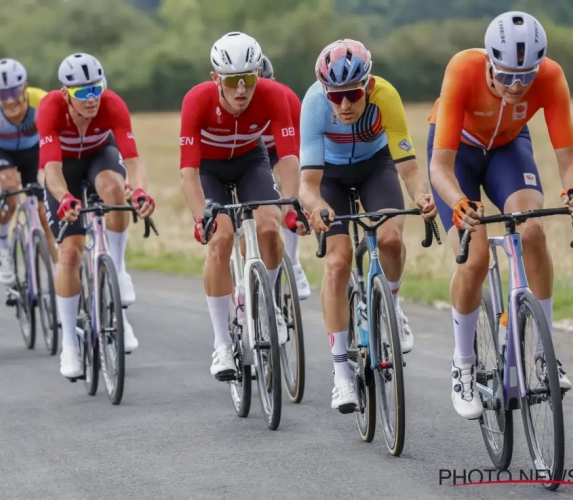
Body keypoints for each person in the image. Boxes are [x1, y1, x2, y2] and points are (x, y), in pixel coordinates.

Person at [428, 11, 572, 420]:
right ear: (490, 62)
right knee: (474, 259)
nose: (515, 85)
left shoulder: (551, 77)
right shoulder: (464, 68)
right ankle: (463, 364)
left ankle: (544, 355)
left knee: (533, 231)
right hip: (457, 153)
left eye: (525, 76)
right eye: (506, 75)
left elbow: (567, 159)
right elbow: (439, 166)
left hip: (509, 148)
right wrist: (459, 202)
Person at [300, 39, 436, 412]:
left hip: (376, 167)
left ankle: (391, 305)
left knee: (391, 239)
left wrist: (423, 197)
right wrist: (317, 208)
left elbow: (408, 169)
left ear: (369, 85)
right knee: (338, 262)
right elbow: (307, 187)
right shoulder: (314, 104)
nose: (344, 105)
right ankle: (341, 373)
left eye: (353, 94)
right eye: (336, 96)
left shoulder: (386, 96)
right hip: (330, 176)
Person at [180, 32, 308, 380]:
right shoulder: (197, 100)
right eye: (233, 81)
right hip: (209, 169)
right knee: (220, 240)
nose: (241, 90)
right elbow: (189, 172)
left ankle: (268, 304)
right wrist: (199, 218)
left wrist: (291, 204)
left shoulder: (272, 95)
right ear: (216, 79)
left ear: (258, 75)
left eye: (248, 79)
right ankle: (222, 344)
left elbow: (287, 158)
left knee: (270, 226)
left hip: (251, 161)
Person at [39, 53, 155, 378]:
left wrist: (140, 190)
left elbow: (132, 160)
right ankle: (69, 346)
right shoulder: (50, 108)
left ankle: (117, 271)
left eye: (96, 90)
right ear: (66, 94)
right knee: (70, 253)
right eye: (82, 93)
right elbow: (50, 168)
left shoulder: (112, 104)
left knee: (115, 192)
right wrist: (63, 198)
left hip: (99, 157)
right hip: (64, 171)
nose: (92, 100)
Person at [0, 58, 57, 285]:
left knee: (44, 213)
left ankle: (59, 275)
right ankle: (2, 248)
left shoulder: (43, 101)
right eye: (2, 94)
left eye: (14, 91)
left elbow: (56, 145)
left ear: (25, 87)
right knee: (8, 190)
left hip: (35, 150)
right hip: (3, 153)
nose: (10, 99)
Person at [259, 55, 311, 300]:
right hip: (243, 154)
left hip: (277, 151)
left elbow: (294, 154)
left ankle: (292, 259)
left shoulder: (286, 99)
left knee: (290, 188)